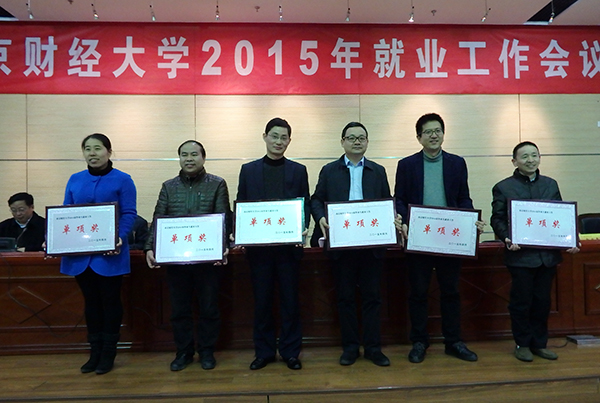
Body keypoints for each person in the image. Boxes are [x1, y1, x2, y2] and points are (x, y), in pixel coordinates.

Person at [394, 113, 483, 364]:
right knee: (418, 292)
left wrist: (470, 220)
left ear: (443, 134)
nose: (434, 135)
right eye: (428, 132)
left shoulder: (457, 163)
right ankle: (419, 341)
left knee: (451, 291)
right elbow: (399, 198)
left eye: (438, 131)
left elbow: (463, 197)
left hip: (449, 240)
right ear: (419, 137)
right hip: (419, 238)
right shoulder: (407, 165)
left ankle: (453, 341)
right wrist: (403, 220)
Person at [145, 140, 232, 372]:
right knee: (179, 310)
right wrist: (149, 247)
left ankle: (207, 351)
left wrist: (223, 245)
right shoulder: (168, 186)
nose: (189, 159)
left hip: (207, 261)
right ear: (179, 158)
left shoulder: (217, 183)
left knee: (209, 308)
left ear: (203, 157)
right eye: (184, 155)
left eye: (194, 154)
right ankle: (183, 352)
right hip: (177, 261)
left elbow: (223, 217)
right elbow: (158, 217)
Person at [310, 122, 392, 367]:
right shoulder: (329, 170)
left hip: (371, 247)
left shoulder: (378, 171)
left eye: (361, 138)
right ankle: (350, 348)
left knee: (372, 298)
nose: (357, 141)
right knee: (345, 298)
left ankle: (373, 348)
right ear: (342, 141)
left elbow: (387, 201)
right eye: (352, 137)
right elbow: (316, 200)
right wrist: (321, 218)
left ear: (367, 142)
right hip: (342, 247)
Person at [490, 141, 579, 362]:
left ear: (539, 158)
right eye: (525, 156)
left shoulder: (550, 184)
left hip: (547, 257)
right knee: (521, 302)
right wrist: (507, 237)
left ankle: (539, 344)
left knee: (542, 302)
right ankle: (522, 344)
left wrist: (570, 238)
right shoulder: (503, 187)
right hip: (520, 256)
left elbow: (560, 216)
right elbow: (497, 219)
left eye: (534, 155)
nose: (530, 160)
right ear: (514, 161)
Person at [60, 133, 137, 375]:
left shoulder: (123, 180)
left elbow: (129, 213)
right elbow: (66, 213)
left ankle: (108, 353)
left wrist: (120, 236)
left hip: (110, 254)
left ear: (109, 152)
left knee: (110, 302)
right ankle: (94, 351)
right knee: (91, 303)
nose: (92, 153)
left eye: (97, 148)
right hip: (81, 255)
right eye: (87, 149)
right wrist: (54, 237)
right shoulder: (75, 179)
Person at [236, 117, 310, 371]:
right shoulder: (249, 170)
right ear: (265, 137)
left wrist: (303, 226)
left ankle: (291, 352)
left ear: (289, 141)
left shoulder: (298, 170)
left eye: (284, 137)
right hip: (259, 252)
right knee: (262, 302)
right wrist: (240, 232)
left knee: (290, 302)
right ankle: (264, 352)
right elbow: (242, 204)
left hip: (289, 250)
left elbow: (305, 203)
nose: (279, 141)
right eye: (274, 136)